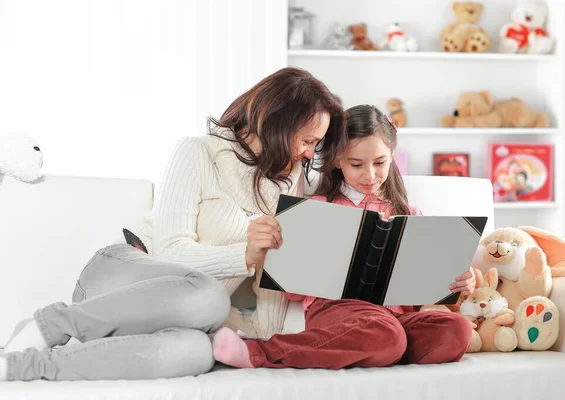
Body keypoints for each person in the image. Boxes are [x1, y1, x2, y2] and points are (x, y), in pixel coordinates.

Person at [0, 67, 346, 381]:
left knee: (196, 352)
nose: (307, 154)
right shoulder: (197, 152)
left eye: (315, 145)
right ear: (275, 123)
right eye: (307, 140)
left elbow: (268, 310)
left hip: (187, 314)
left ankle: (22, 366)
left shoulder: (290, 187)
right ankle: (50, 324)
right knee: (210, 297)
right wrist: (245, 257)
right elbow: (169, 252)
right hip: (122, 278)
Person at [211, 105, 476, 370]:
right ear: (337, 160)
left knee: (456, 331)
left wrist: (460, 282)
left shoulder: (408, 214)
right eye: (356, 164)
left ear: (392, 155)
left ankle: (378, 348)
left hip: (393, 317)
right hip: (335, 310)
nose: (370, 175)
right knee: (386, 334)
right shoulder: (317, 208)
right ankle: (258, 352)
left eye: (380, 163)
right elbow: (291, 290)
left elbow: (426, 288)